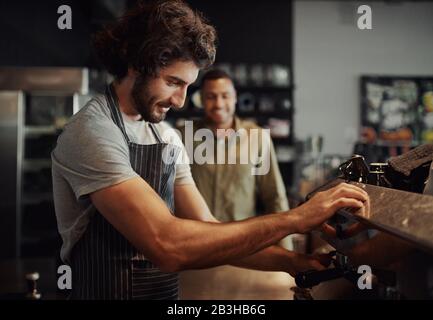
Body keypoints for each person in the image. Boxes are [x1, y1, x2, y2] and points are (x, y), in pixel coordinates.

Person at [51, 0, 369, 300]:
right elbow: (167, 244)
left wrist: (292, 261)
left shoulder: (165, 136)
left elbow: (210, 228)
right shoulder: (93, 133)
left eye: (188, 86)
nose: (181, 101)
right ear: (137, 64)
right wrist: (296, 219)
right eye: (173, 82)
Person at [178, 69, 289, 222]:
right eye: (211, 96)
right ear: (201, 99)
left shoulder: (257, 137)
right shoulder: (182, 137)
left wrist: (284, 245)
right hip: (193, 237)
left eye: (225, 96)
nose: (219, 104)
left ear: (235, 97)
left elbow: (275, 197)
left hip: (240, 240)